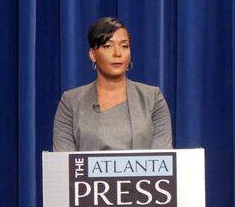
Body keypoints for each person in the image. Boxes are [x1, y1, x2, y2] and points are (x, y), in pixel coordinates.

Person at [53, 17, 172, 151]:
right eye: (108, 46)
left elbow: (163, 162)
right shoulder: (70, 103)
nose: (117, 53)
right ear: (92, 54)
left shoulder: (153, 99)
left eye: (124, 46)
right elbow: (65, 166)